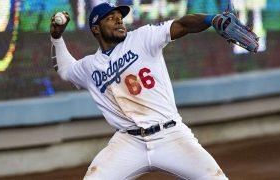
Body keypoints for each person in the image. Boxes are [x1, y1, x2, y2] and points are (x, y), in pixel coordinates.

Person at [50, 2, 229, 180]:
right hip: (129, 142)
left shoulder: (142, 37)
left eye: (120, 18)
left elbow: (181, 25)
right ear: (96, 29)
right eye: (111, 18)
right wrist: (56, 37)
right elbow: (65, 69)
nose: (119, 21)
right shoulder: (89, 66)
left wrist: (210, 19)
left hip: (170, 134)